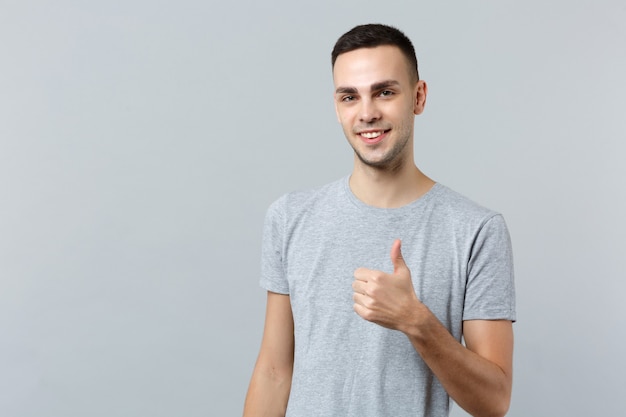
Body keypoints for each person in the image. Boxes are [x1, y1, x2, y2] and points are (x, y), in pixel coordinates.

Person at [243, 23, 516, 417]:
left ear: (418, 97)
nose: (367, 113)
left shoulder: (476, 230)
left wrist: (417, 322)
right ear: (337, 108)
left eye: (385, 92)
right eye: (350, 96)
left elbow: (494, 401)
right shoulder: (290, 217)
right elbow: (272, 372)